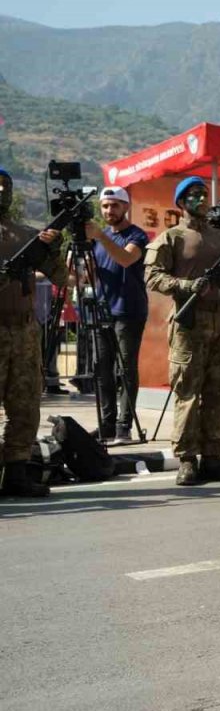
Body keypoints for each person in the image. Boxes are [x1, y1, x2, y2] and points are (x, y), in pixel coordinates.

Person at [143, 176, 220, 485]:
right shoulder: (172, 238)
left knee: (218, 391)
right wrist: (186, 286)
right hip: (190, 323)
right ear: (181, 202)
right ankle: (187, 459)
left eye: (204, 194)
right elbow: (152, 276)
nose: (202, 200)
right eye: (194, 195)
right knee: (188, 391)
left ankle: (213, 457)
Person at [0, 168, 64, 497]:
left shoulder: (26, 235)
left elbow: (61, 277)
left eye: (6, 186)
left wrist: (53, 250)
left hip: (24, 331)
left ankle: (16, 471)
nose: (2, 192)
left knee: (25, 404)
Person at [84, 186, 150, 444]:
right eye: (105, 206)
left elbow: (126, 259)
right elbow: (83, 276)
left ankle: (125, 426)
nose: (109, 210)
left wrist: (100, 236)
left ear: (125, 207)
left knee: (126, 369)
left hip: (129, 311)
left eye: (114, 205)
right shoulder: (97, 241)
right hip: (102, 310)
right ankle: (108, 424)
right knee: (102, 369)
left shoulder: (136, 235)